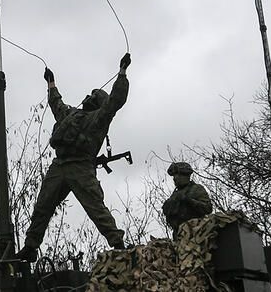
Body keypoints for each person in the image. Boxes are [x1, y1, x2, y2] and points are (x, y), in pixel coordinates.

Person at [14, 53, 132, 262]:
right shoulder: (71, 115)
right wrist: (51, 83)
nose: (89, 97)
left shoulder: (100, 117)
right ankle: (30, 247)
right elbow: (56, 104)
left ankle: (118, 243)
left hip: (81, 166)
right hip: (59, 165)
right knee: (42, 206)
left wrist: (122, 72)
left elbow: (116, 99)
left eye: (93, 96)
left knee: (95, 207)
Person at [161, 162, 213, 240]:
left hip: (196, 234)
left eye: (178, 175)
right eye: (174, 176)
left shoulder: (196, 189)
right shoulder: (175, 194)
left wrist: (188, 200)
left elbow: (208, 208)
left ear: (186, 176)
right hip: (178, 236)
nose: (175, 178)